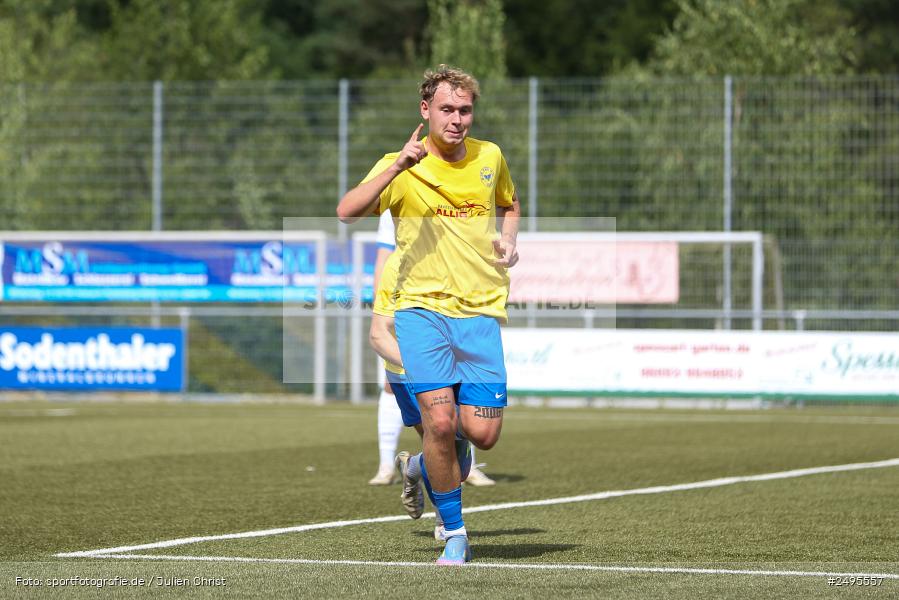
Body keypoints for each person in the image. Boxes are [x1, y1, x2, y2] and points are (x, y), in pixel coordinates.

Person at [338, 65, 520, 565]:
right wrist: (397, 166)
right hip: (420, 312)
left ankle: (420, 465)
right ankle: (456, 534)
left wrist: (508, 240)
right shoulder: (401, 166)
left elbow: (510, 204)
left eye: (465, 110)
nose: (457, 119)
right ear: (426, 110)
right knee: (439, 422)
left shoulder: (490, 157)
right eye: (447, 109)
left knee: (482, 434)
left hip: (479, 313)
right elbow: (347, 211)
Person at [367, 209, 496, 489]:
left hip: (450, 302)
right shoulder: (395, 204)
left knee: (456, 393)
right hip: (407, 302)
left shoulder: (458, 199)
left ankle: (451, 466)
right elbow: (383, 256)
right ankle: (387, 465)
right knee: (401, 391)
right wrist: (383, 308)